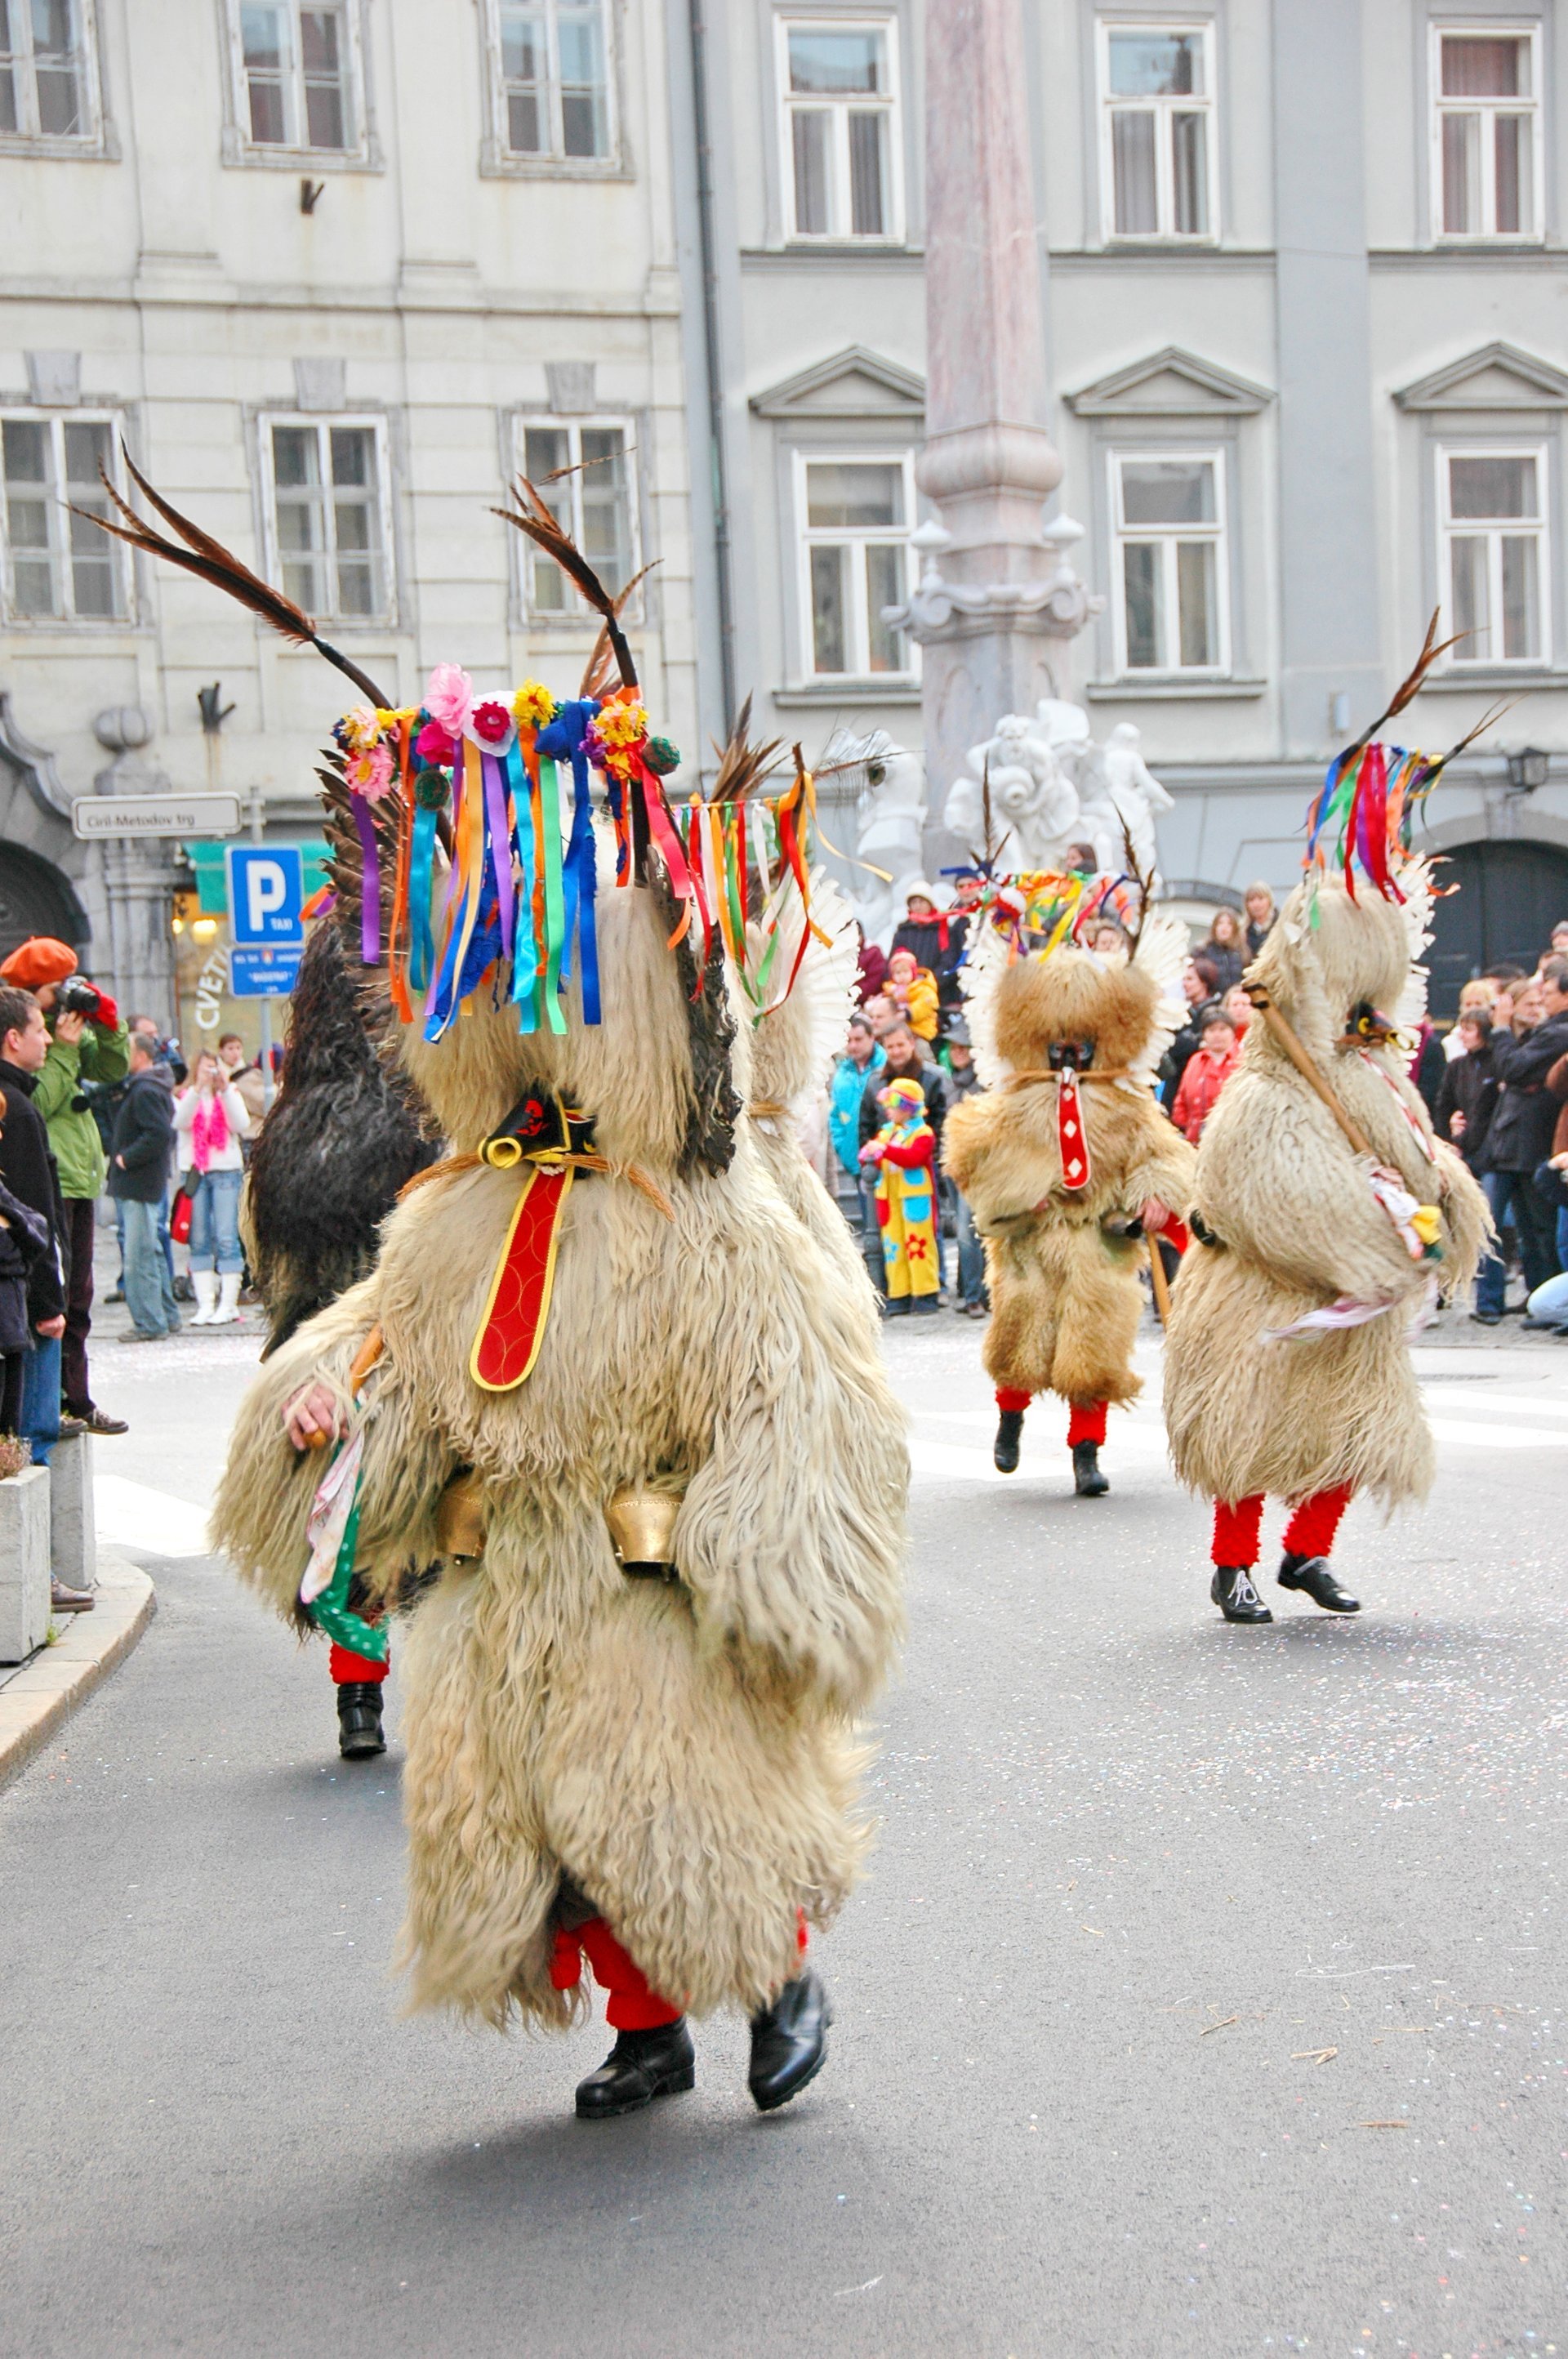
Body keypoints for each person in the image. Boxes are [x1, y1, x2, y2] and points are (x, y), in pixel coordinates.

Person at [1164, 832, 1489, 1627]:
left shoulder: (1370, 1076)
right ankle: (1232, 1565)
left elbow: (1416, 1155)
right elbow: (1279, 1198)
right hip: (1256, 1292)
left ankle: (1309, 1549)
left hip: (1349, 1301)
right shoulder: (1258, 1092)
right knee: (1247, 1431)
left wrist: (1440, 1196)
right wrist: (1371, 1237)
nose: (1365, 1020)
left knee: (1353, 1427)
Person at [943, 902, 1196, 1496]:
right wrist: (1019, 1196)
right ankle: (1011, 1415)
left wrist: (1153, 1197)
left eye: (1081, 1042)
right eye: (1058, 1041)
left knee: (1098, 1338)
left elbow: (1163, 1152)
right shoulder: (1012, 1100)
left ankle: (1087, 1450)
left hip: (1098, 1240)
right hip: (1032, 1237)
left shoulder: (1125, 1102)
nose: (1069, 1054)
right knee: (1020, 1331)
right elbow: (969, 1157)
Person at [0, 938, 131, 1438]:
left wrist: (106, 1023)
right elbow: (39, 1099)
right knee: (50, 1295)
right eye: (60, 988)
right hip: (48, 1175)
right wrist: (65, 1052)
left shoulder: (59, 1033)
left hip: (80, 1171)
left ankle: (77, 1396)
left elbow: (112, 1069)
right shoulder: (32, 1047)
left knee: (78, 1297)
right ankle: (48, 1401)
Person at [0, 986, 93, 1611]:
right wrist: (50, 1303)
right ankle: (37, 1577)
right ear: (14, 1038)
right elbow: (34, 1216)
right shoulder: (18, 1109)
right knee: (27, 1434)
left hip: (18, 1290)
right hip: (24, 1297)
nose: (45, 1038)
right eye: (38, 1029)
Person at [1472, 955, 1568, 1321]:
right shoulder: (1541, 1032)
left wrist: (1499, 1032)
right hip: (1507, 1143)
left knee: (1542, 1230)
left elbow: (1512, 1067)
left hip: (1532, 1143)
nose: (1542, 1002)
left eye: (1547, 995)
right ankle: (1521, 1300)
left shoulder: (1559, 1031)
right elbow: (1508, 1072)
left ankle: (1547, 1303)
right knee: (1507, 1226)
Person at [108, 1034, 180, 1341]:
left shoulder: (145, 1090)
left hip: (138, 1182)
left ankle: (150, 1322)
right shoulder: (149, 1086)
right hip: (144, 1182)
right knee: (150, 1251)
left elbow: (160, 1134)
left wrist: (126, 1158)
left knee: (139, 1256)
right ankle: (168, 1315)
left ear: (139, 1055)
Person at [176, 1051, 251, 1325]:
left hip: (226, 1172)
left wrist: (225, 1089)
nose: (210, 1074)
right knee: (199, 1238)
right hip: (195, 1173)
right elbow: (179, 1123)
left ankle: (228, 1304)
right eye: (205, 1069)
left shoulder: (230, 1093)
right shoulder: (187, 1097)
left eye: (214, 1069)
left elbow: (241, 1124)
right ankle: (205, 1303)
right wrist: (197, 1090)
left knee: (227, 1237)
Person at [860, 1076, 941, 1315]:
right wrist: (870, 1153)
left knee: (919, 1246)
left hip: (914, 1199)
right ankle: (900, 1294)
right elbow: (866, 1153)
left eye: (893, 1104)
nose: (888, 1110)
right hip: (891, 1199)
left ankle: (925, 1293)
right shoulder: (887, 1132)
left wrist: (884, 1150)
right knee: (893, 1246)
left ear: (907, 1107)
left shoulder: (923, 1133)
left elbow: (914, 1158)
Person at [940, 1016, 987, 1316]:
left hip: (981, 1169)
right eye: (954, 1046)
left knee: (970, 1233)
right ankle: (972, 1292)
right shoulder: (948, 1083)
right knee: (964, 1231)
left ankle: (975, 1296)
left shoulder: (984, 1082)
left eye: (964, 1046)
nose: (958, 1051)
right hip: (954, 1166)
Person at [828, 1014, 884, 1229]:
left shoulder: (887, 1066)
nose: (853, 1046)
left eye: (858, 1039)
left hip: (889, 1160)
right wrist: (843, 1149)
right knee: (870, 1226)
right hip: (856, 1162)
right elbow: (835, 1117)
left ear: (872, 1038)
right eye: (849, 1040)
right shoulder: (842, 1074)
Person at [890, 881, 968, 1025]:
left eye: (921, 901)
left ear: (930, 903)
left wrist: (929, 982)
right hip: (907, 996)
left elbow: (949, 963)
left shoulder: (943, 929)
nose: (918, 906)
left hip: (941, 995)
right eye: (913, 902)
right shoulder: (903, 932)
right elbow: (894, 962)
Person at [1170, 1005, 1241, 1144]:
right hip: (1195, 1141)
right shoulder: (1195, 1060)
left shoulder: (1243, 1060)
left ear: (1233, 1032)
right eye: (1211, 1030)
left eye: (1223, 1029)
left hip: (1232, 1141)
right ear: (1204, 1034)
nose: (1217, 1035)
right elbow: (1181, 1100)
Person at [884, 946, 939, 1041]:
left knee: (921, 1048)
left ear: (913, 972)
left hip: (920, 1030)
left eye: (905, 972)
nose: (902, 976)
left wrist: (908, 1013)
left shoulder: (923, 987)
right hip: (899, 1030)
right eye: (898, 973)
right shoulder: (891, 990)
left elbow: (925, 1004)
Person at [217, 1032, 268, 1133]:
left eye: (238, 1048)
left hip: (250, 1130)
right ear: (221, 1051)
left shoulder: (250, 1074)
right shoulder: (215, 1075)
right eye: (230, 1049)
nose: (235, 1053)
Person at [1200, 906, 1247, 992]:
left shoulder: (1243, 953)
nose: (1224, 928)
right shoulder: (1203, 952)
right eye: (1220, 923)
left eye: (1229, 924)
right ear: (1215, 927)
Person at [1242, 882, 1277, 961]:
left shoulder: (1279, 926)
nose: (1256, 904)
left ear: (1269, 901)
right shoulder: (1242, 932)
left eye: (1261, 899)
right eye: (1251, 900)